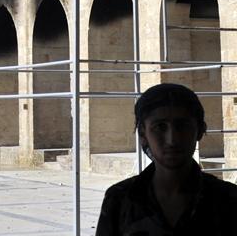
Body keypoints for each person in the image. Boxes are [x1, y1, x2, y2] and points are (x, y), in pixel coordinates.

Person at [95, 82, 237, 235]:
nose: (172, 139)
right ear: (143, 134)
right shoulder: (119, 200)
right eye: (160, 127)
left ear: (200, 130)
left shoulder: (229, 200)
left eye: (182, 126)